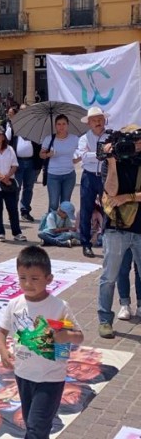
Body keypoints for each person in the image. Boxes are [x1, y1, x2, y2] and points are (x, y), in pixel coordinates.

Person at [0, 245, 83, 439]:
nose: (27, 284)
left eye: (34, 279)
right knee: (32, 424)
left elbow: (79, 336)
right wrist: (3, 352)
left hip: (51, 377)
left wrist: (66, 336)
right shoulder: (15, 305)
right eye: (22, 278)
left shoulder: (59, 307)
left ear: (49, 279)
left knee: (36, 427)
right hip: (23, 375)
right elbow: (1, 333)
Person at [96, 124, 141, 339]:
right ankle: (105, 319)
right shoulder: (111, 160)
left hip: (140, 227)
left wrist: (128, 197)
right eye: (132, 140)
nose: (136, 144)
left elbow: (119, 196)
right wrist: (112, 161)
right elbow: (111, 191)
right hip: (116, 227)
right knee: (109, 276)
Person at [0, 126, 26, 242]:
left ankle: (17, 232)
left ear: (3, 137)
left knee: (12, 208)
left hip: (9, 183)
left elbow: (15, 165)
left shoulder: (10, 149)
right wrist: (1, 177)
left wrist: (7, 176)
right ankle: (0, 232)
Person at [75, 106, 107, 258]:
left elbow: (111, 153)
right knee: (86, 210)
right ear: (89, 123)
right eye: (94, 120)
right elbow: (84, 156)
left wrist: (94, 154)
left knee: (108, 209)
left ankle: (107, 241)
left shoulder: (110, 136)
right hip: (89, 175)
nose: (98, 122)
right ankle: (85, 244)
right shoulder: (84, 138)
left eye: (100, 119)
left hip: (105, 176)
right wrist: (101, 154)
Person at [5, 105, 42, 223]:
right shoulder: (13, 126)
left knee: (28, 188)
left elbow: (41, 143)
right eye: (22, 111)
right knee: (15, 188)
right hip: (17, 162)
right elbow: (6, 141)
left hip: (31, 162)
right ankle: (13, 212)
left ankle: (25, 210)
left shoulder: (35, 126)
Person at [40, 114, 80, 213]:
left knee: (65, 203)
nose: (61, 126)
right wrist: (48, 154)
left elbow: (82, 152)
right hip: (53, 175)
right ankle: (51, 224)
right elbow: (41, 154)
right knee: (53, 203)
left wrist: (77, 159)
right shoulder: (49, 139)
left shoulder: (75, 139)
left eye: (64, 124)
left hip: (69, 175)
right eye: (59, 124)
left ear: (68, 125)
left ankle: (63, 225)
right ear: (55, 125)